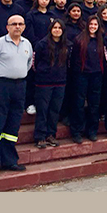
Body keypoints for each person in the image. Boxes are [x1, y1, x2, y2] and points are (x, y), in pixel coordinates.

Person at [0, 15, 33, 177]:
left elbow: (28, 63)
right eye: (14, 24)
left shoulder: (27, 44)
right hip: (0, 87)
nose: (17, 26)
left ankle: (10, 161)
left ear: (24, 27)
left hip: (19, 87)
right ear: (7, 27)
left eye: (20, 24)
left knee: (13, 125)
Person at [34, 19, 69, 149]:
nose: (57, 30)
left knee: (54, 110)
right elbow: (35, 63)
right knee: (43, 110)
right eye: (55, 27)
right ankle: (40, 136)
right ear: (50, 29)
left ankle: (51, 135)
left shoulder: (66, 45)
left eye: (60, 28)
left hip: (60, 82)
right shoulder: (42, 44)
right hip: (44, 83)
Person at [70, 15, 104, 144]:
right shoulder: (79, 40)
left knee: (94, 104)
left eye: (95, 25)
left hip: (97, 75)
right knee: (78, 104)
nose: (93, 27)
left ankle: (92, 131)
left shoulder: (101, 40)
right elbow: (74, 60)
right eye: (91, 24)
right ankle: (77, 131)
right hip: (82, 75)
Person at [24, 0, 55, 114]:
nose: (44, 1)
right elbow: (29, 33)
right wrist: (39, 45)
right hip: (35, 49)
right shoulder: (31, 15)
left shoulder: (52, 16)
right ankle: (30, 103)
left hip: (50, 50)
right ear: (38, 0)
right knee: (32, 76)